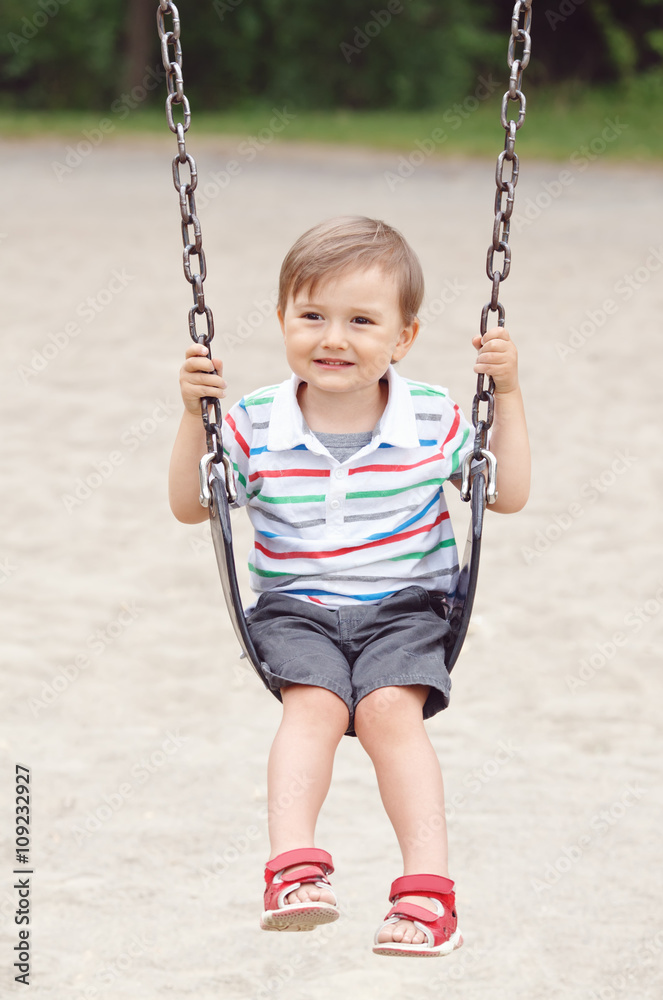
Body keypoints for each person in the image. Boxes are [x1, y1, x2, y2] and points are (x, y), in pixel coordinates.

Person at [169, 215, 530, 957]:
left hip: (407, 608)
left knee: (389, 712)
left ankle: (427, 893)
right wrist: (189, 417)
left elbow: (508, 493)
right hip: (296, 610)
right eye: (311, 316)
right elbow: (188, 505)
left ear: (403, 338)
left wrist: (510, 394)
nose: (333, 338)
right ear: (281, 321)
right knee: (315, 707)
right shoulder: (249, 421)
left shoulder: (432, 415)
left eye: (361, 321)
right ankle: (293, 871)